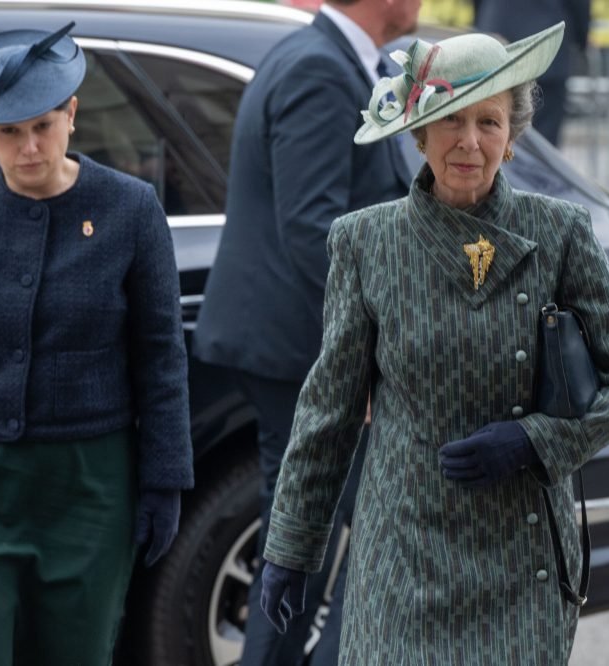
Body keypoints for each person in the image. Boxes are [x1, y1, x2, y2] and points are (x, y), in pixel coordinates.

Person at [256, 23, 609, 663]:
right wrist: (291, 546)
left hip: (520, 564)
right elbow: (327, 413)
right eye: (451, 121)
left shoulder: (561, 233)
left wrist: (533, 440)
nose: (470, 142)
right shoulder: (365, 243)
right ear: (419, 133)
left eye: (490, 123)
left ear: (513, 137)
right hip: (403, 561)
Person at [191, 0, 419, 663]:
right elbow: (312, 229)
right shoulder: (319, 69)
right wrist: (374, 347)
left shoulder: (337, 61)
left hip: (296, 349)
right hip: (300, 354)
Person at [0, 23, 193, 666]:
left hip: (90, 485)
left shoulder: (129, 208)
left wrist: (164, 480)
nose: (28, 147)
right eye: (8, 132)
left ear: (72, 113)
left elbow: (160, 354)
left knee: (77, 650)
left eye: (42, 125)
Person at [473, 0, 591, 146]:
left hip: (497, 44)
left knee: (488, 131)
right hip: (546, 49)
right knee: (542, 146)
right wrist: (581, 41)